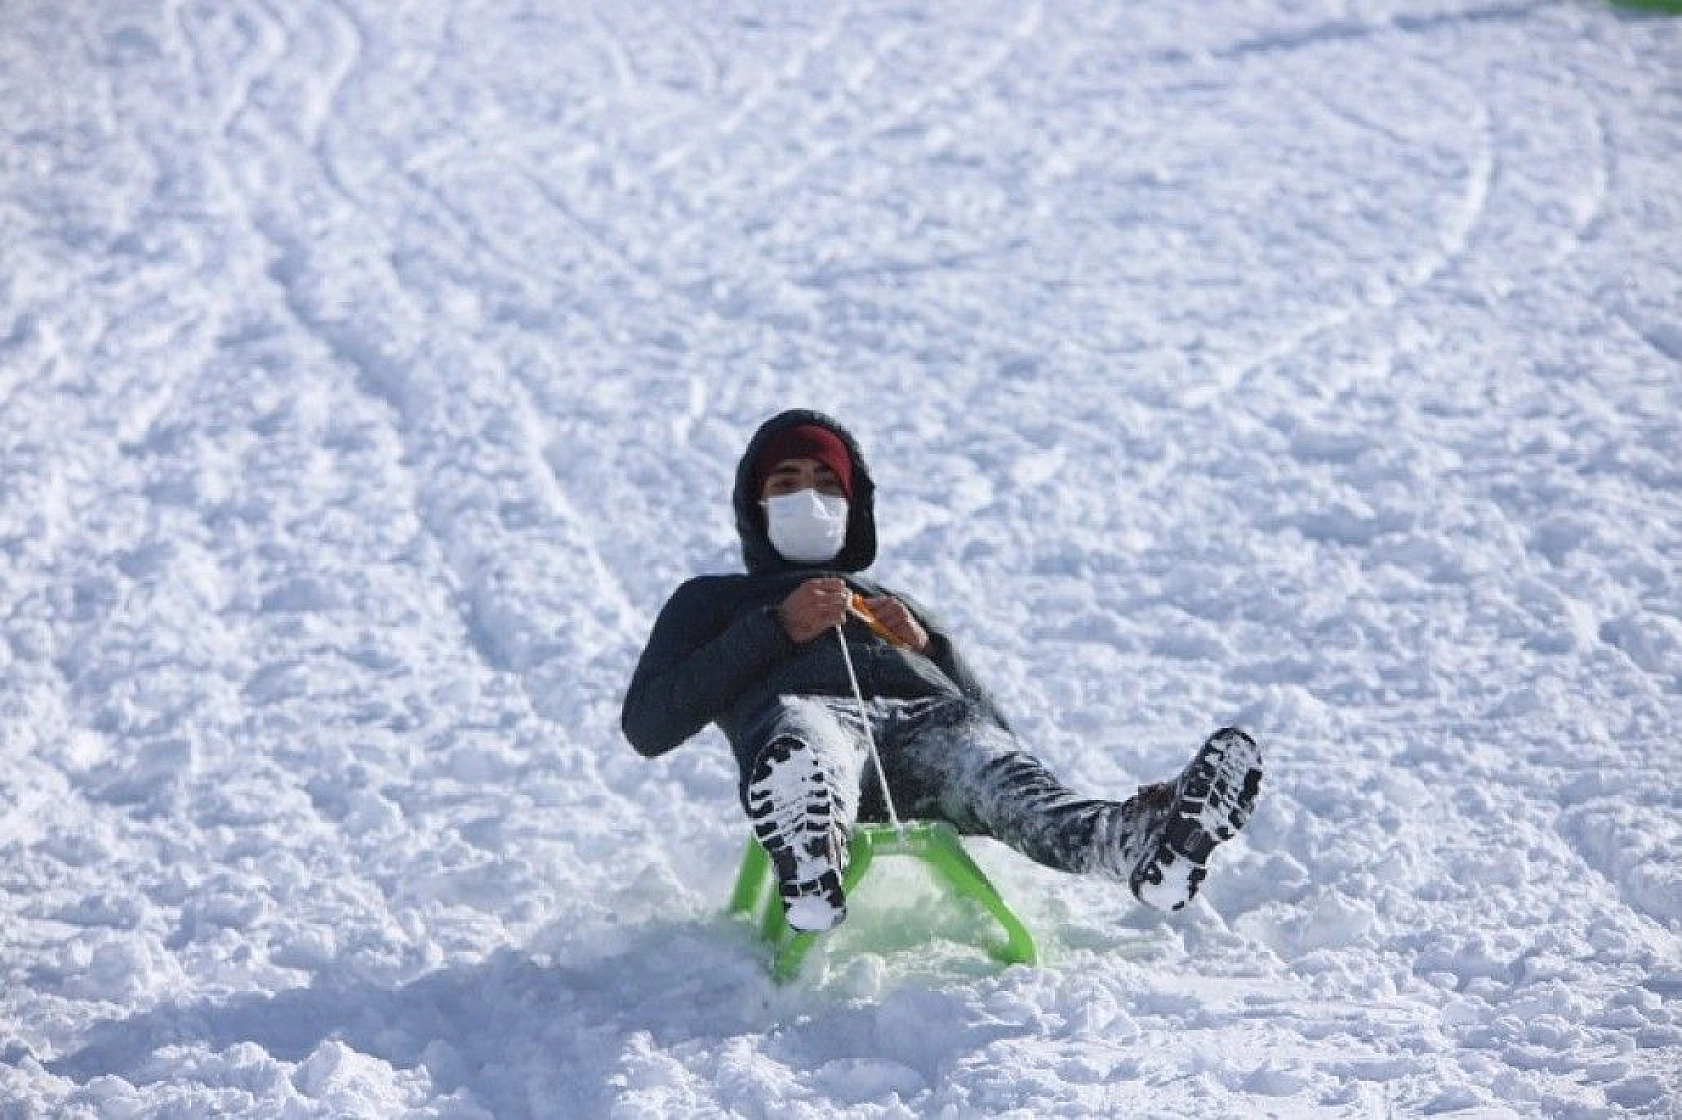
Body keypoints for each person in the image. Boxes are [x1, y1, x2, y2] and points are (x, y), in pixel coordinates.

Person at [622, 409, 1262, 933]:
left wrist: (931, 649)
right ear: (755, 505)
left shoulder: (888, 602)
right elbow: (650, 724)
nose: (807, 498)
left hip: (930, 735)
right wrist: (776, 629)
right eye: (785, 484)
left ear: (852, 505)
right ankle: (809, 835)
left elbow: (1000, 731)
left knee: (1000, 772)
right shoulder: (712, 600)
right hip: (813, 726)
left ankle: (1140, 839)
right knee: (805, 731)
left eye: (825, 485)